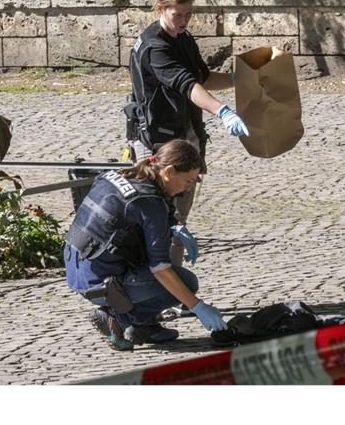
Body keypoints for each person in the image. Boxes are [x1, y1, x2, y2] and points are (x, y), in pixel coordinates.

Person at [126, 0, 249, 268]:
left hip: (183, 138)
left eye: (188, 14)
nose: (183, 21)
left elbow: (201, 77)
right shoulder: (155, 46)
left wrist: (238, 80)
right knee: (155, 221)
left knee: (178, 218)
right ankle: (149, 289)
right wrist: (222, 111)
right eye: (177, 14)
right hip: (155, 143)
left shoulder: (183, 39)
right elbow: (187, 85)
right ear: (160, 8)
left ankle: (175, 284)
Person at [63, 139, 227, 351]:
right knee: (186, 282)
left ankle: (143, 326)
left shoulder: (119, 175)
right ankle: (119, 319)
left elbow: (128, 214)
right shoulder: (150, 203)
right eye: (188, 181)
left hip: (76, 265)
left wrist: (174, 226)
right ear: (169, 172)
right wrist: (197, 306)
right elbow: (160, 269)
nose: (188, 188)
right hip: (101, 282)